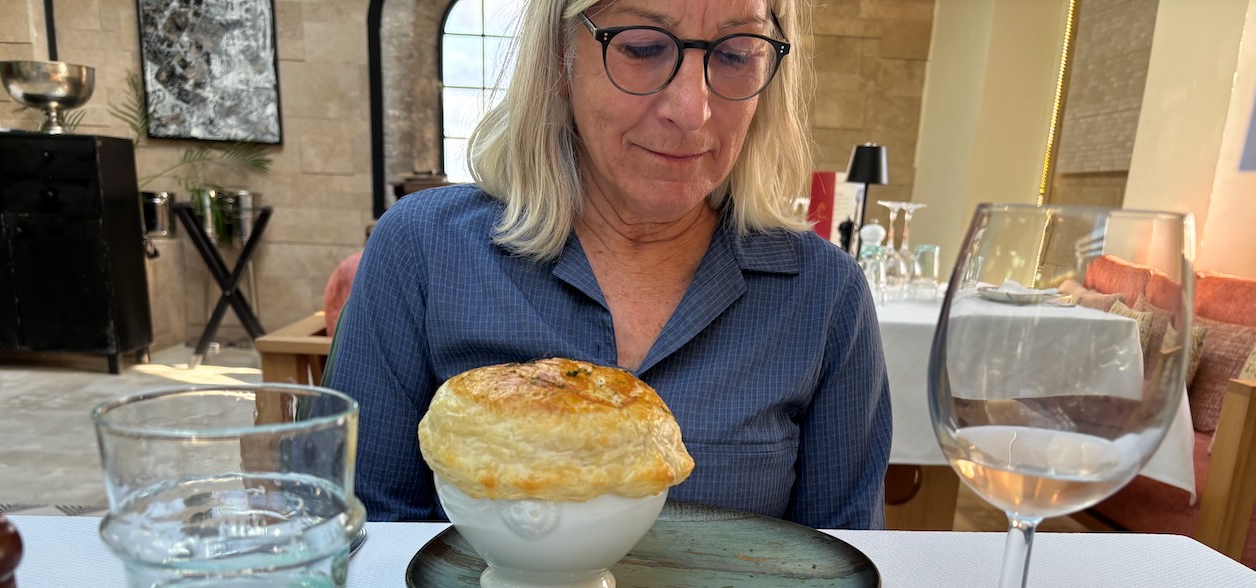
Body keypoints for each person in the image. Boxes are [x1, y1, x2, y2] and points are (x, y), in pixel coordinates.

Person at [326, 0, 891, 529]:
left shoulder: (824, 295)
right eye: (643, 47)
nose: (691, 111)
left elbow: (841, 560)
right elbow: (367, 534)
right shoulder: (424, 250)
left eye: (736, 54)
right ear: (560, 59)